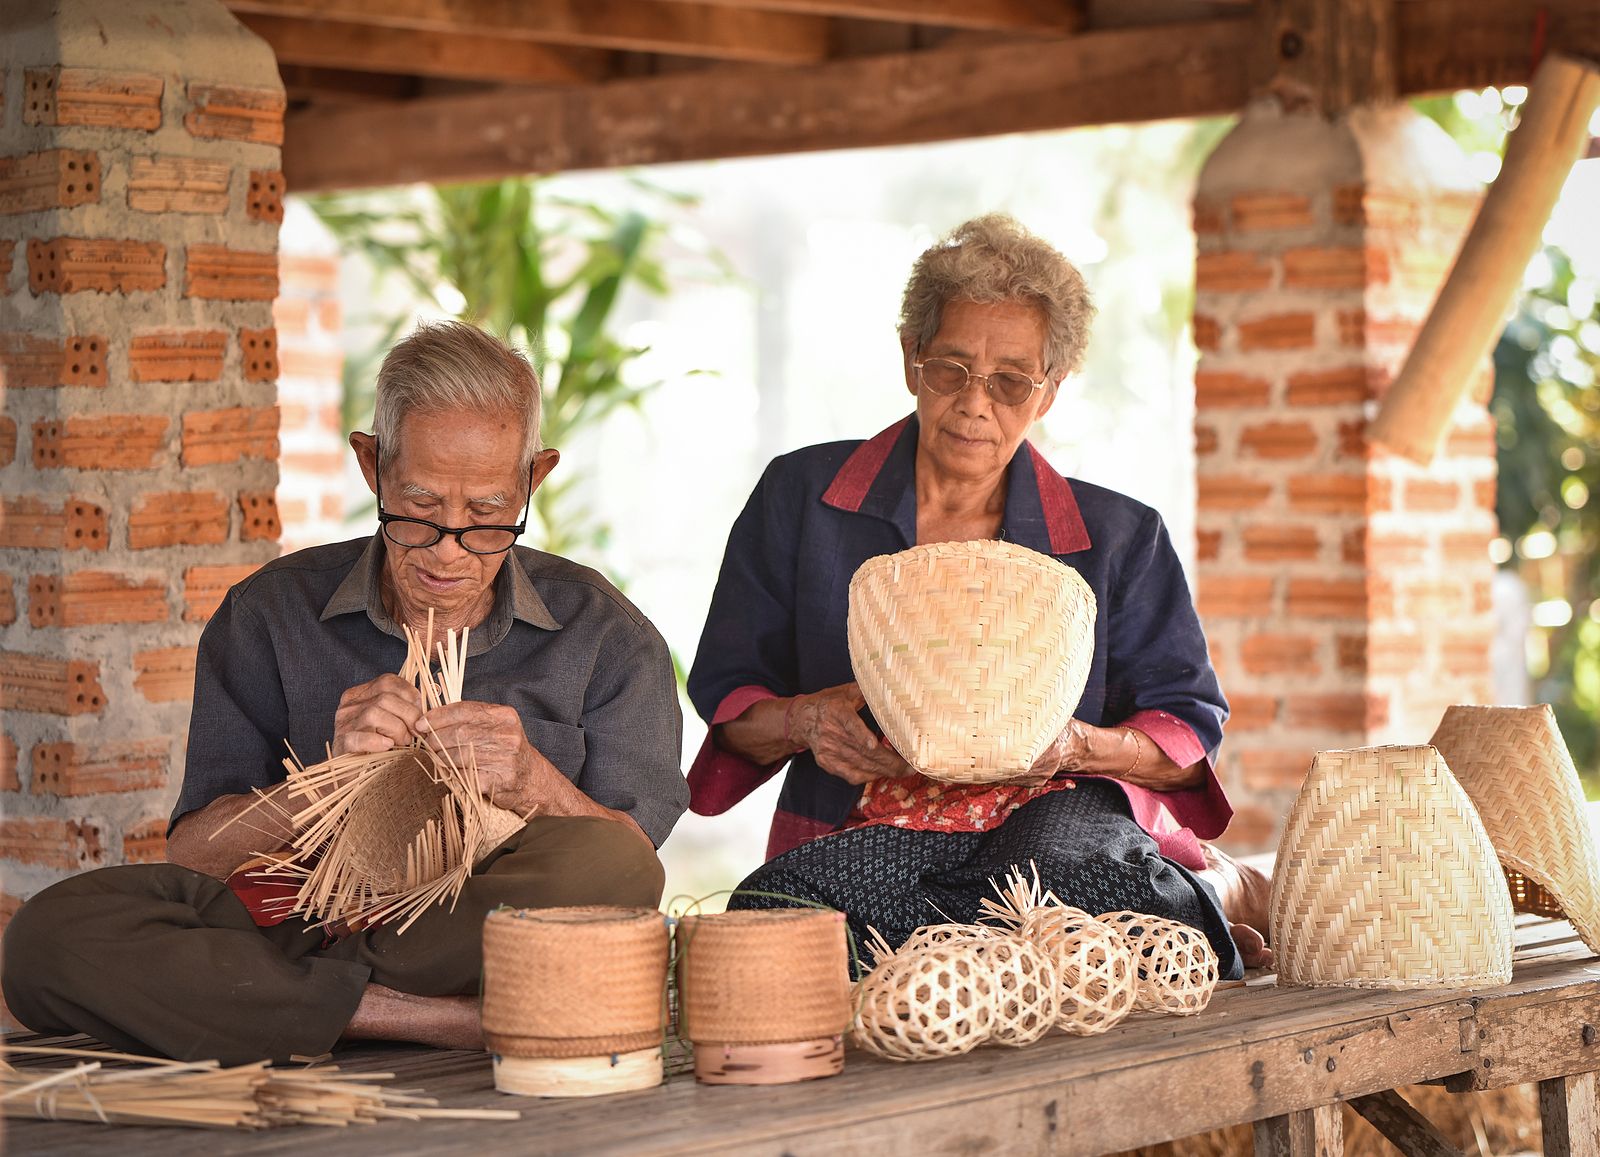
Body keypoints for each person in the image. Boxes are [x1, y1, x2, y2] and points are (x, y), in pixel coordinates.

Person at [2, 321, 688, 1064]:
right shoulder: (269, 614)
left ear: (534, 478)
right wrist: (323, 783)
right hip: (290, 921)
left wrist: (529, 777)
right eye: (420, 508)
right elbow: (195, 855)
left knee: (615, 871)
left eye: (488, 515)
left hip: (465, 929)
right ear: (372, 465)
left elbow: (630, 866)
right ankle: (419, 1018)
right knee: (47, 935)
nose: (449, 549)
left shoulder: (605, 636)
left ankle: (262, 1002)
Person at [687, 215, 1268, 978]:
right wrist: (806, 721)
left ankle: (1213, 885)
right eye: (950, 369)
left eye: (1010, 382)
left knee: (1058, 881)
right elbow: (732, 703)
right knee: (773, 928)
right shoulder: (803, 498)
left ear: (1050, 392)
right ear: (910, 361)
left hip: (1050, 817)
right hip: (877, 822)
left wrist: (1073, 746)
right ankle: (1174, 901)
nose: (974, 403)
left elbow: (1187, 730)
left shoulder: (1119, 534)